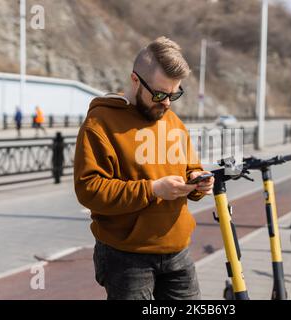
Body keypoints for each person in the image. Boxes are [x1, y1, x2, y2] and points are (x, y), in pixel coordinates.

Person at [74, 37, 214, 300]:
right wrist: (152, 189)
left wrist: (197, 181)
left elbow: (190, 167)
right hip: (126, 257)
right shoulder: (100, 123)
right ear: (135, 80)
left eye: (175, 94)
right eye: (160, 94)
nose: (167, 103)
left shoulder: (172, 120)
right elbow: (89, 190)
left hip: (178, 252)